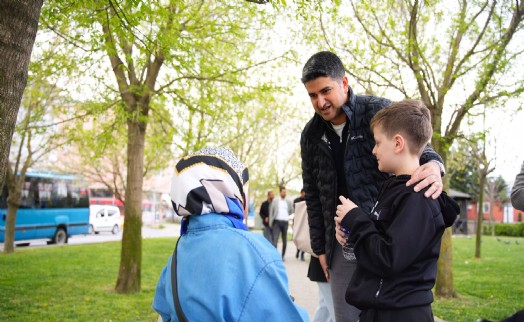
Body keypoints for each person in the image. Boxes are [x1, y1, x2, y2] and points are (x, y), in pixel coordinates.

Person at [300, 51, 445, 322]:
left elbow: (416, 143)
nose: (320, 102)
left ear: (344, 83)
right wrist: (320, 248)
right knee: (346, 316)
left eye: (325, 91)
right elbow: (313, 195)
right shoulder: (310, 135)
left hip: (383, 236)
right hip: (341, 243)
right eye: (312, 95)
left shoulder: (377, 111)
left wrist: (435, 165)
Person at [334, 99, 459, 322]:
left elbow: (389, 258)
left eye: (378, 142)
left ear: (398, 143)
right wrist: (351, 231)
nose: (373, 151)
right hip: (382, 309)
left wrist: (357, 219)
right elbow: (381, 243)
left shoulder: (418, 199)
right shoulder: (395, 190)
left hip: (400, 314)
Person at [152, 147, 309, 322]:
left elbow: (164, 313)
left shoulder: (177, 253)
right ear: (229, 190)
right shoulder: (254, 252)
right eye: (244, 188)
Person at [270, 186, 294, 259]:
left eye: (285, 192)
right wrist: (270, 223)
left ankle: (282, 256)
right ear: (280, 192)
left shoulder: (289, 202)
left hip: (285, 222)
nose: (284, 193)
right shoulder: (275, 201)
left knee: (284, 241)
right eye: (283, 192)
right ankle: (274, 256)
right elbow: (271, 212)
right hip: (277, 222)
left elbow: (291, 210)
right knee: (275, 240)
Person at [294, 189, 306, 261]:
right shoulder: (296, 200)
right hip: (298, 221)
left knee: (304, 238)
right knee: (298, 237)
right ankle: (298, 250)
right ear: (301, 193)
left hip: (305, 222)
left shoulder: (309, 200)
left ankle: (302, 254)